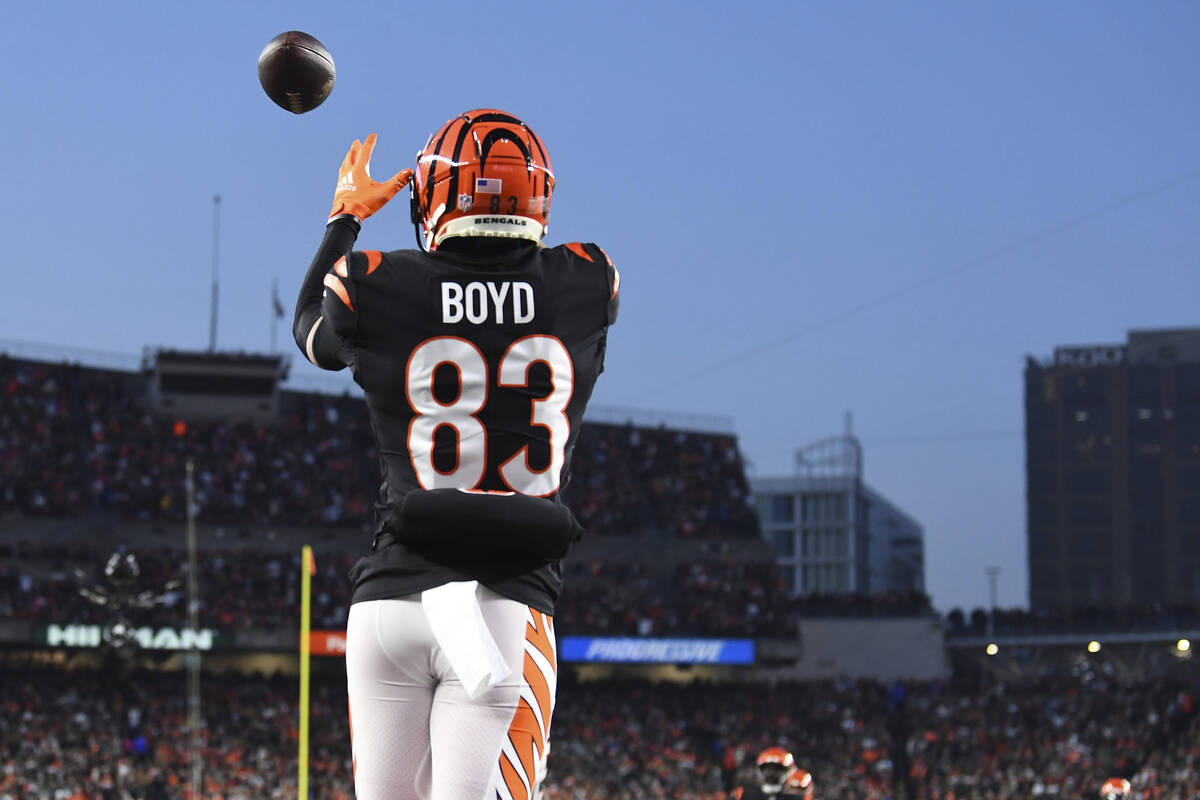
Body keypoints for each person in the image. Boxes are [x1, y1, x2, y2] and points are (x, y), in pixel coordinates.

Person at [292, 109, 619, 800]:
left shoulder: (372, 281)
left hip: (391, 600)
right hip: (504, 602)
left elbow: (310, 334)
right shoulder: (588, 281)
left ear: (432, 198)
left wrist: (344, 218)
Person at [732, 747, 813, 799]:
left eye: (777, 769)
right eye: (767, 769)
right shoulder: (744, 794)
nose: (771, 773)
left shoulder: (798, 798)